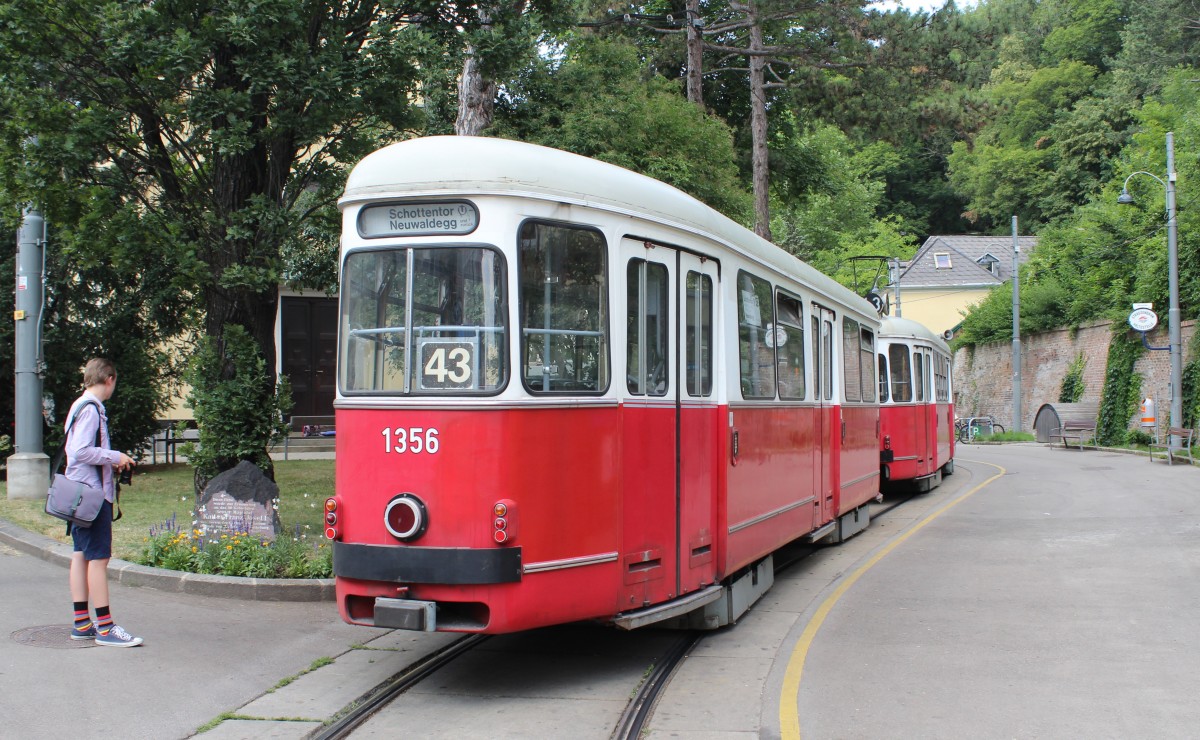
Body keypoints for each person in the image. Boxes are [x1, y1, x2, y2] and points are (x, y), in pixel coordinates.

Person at [65, 358, 143, 647]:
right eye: (114, 382)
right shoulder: (91, 410)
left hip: (77, 494)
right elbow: (80, 451)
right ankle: (106, 628)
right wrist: (115, 457)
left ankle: (82, 623)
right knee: (98, 559)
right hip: (92, 495)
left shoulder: (78, 405)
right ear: (109, 378)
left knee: (80, 555)